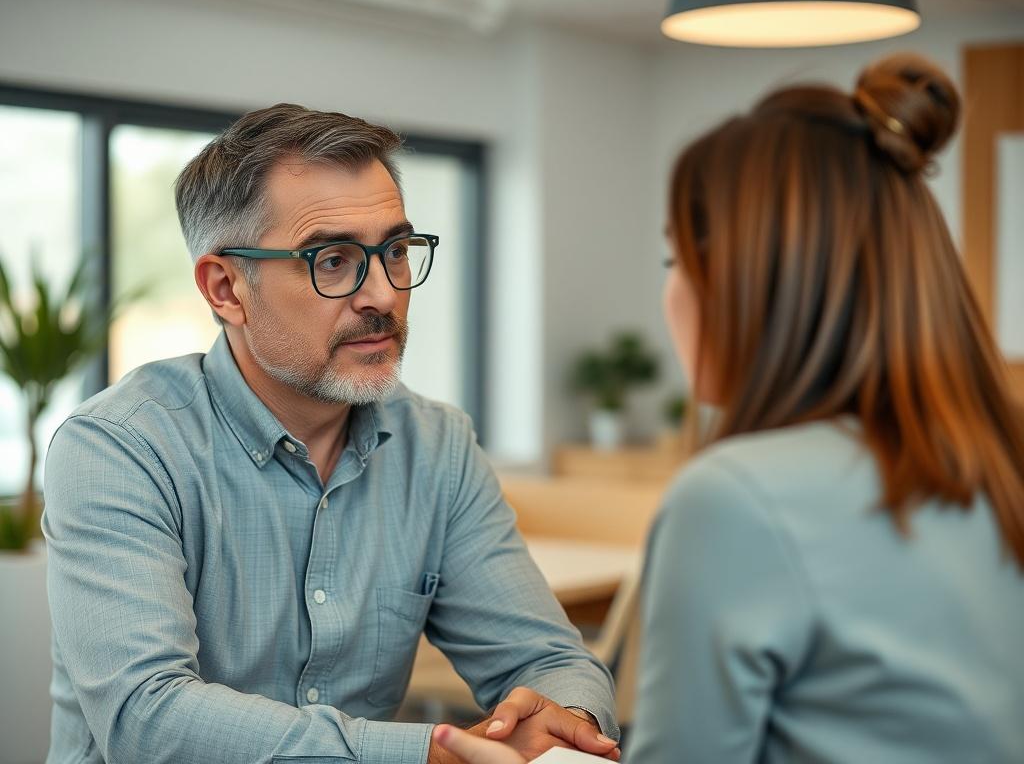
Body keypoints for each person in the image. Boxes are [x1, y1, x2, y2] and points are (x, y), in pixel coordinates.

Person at [436, 52, 1024, 764]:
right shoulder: (994, 464)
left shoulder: (739, 498)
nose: (671, 293)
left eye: (673, 260)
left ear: (742, 280)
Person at [41, 104, 621, 764]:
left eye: (396, 252)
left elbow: (547, 657)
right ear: (226, 288)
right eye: (334, 260)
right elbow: (149, 718)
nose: (382, 293)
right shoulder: (119, 448)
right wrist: (425, 756)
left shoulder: (438, 446)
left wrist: (561, 717)